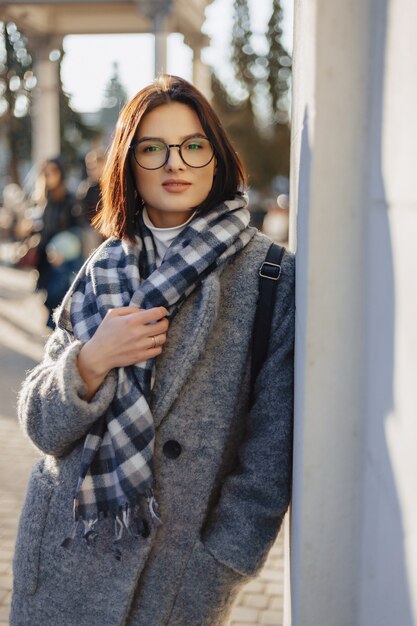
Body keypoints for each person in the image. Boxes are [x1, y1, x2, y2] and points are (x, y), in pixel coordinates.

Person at [11, 75, 295, 626]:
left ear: (217, 157)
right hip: (65, 550)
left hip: (173, 579)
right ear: (129, 164)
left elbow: (268, 462)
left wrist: (218, 566)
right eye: (152, 148)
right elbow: (42, 428)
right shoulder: (104, 265)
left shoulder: (270, 276)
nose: (175, 163)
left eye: (193, 145)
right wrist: (92, 361)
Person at [34, 158, 83, 329]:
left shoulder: (69, 198)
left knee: (57, 298)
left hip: (62, 260)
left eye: (52, 172)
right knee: (46, 295)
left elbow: (78, 229)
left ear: (60, 174)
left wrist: (63, 250)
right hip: (44, 258)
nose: (48, 176)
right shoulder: (44, 199)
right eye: (45, 173)